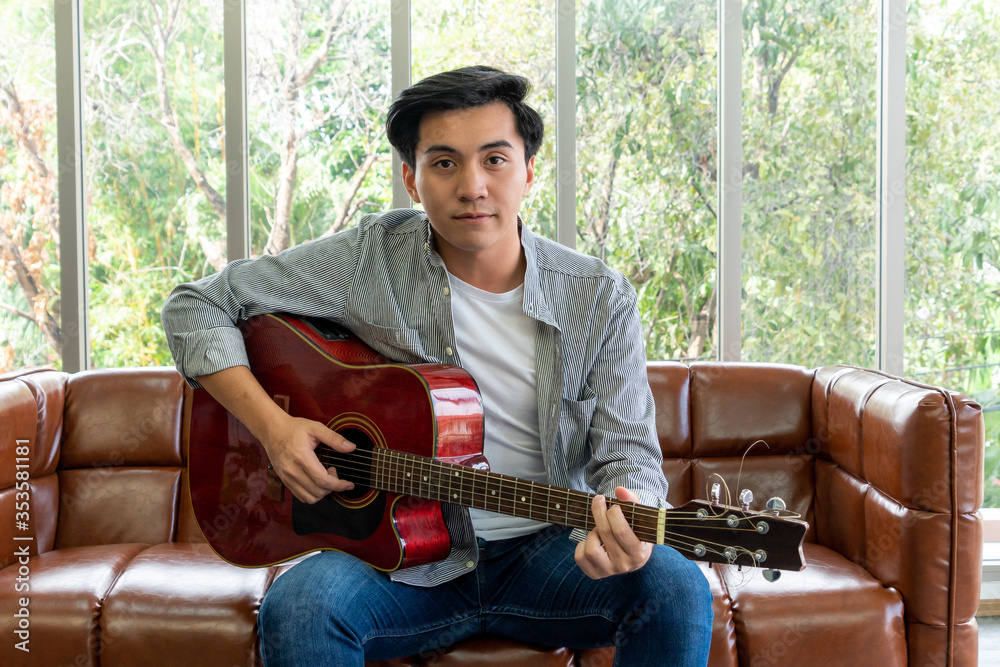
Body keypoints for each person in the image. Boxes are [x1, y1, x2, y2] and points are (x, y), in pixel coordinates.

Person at [162, 65, 713, 666]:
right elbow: (198, 305)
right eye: (445, 163)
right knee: (300, 604)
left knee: (674, 584)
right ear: (412, 179)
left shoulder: (599, 296)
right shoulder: (371, 259)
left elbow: (628, 450)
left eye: (495, 160)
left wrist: (625, 520)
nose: (472, 186)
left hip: (551, 551)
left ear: (530, 170)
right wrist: (274, 428)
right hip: (401, 563)